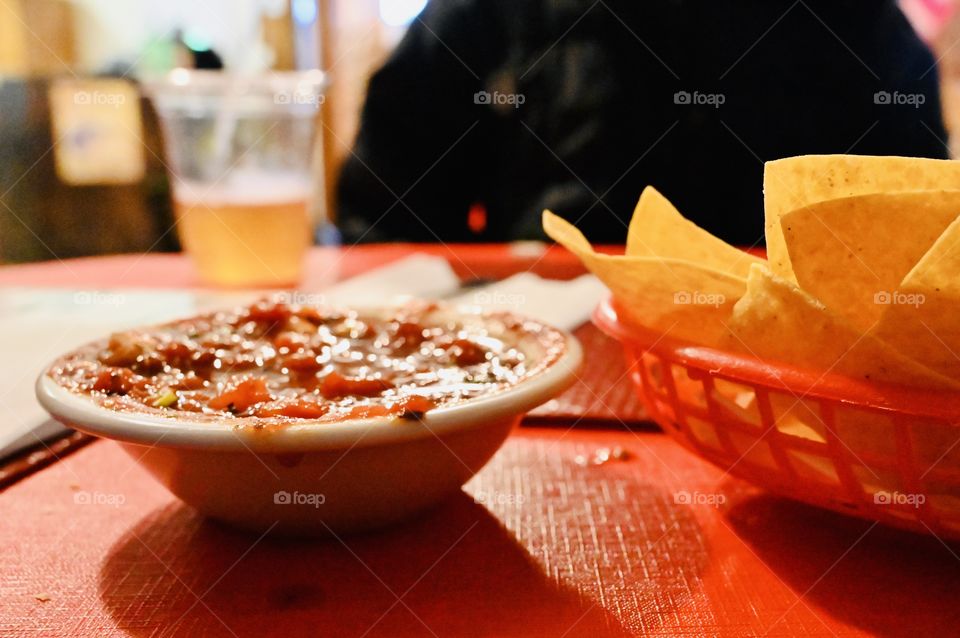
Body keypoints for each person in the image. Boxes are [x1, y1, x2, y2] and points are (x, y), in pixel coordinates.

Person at [337, 0, 947, 246]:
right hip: (537, 392)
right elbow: (384, 208)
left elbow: (920, 229)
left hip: (786, 396)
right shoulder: (492, 12)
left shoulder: (852, 19)